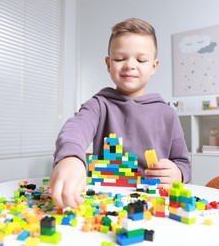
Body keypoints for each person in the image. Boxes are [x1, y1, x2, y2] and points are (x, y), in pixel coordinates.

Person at [50, 18, 191, 209]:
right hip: (106, 203)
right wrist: (71, 157)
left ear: (154, 67)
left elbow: (183, 162)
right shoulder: (98, 104)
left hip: (155, 203)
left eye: (141, 60)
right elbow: (76, 128)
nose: (130, 65)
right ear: (108, 64)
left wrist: (178, 173)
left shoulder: (167, 114)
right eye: (119, 59)